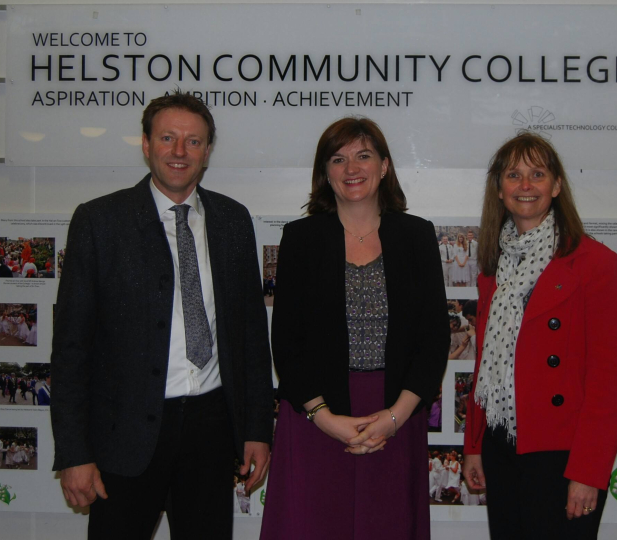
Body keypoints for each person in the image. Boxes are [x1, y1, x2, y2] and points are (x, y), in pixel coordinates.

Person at [50, 91, 273, 540]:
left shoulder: (232, 220)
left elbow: (249, 335)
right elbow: (71, 347)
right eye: (168, 138)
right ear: (146, 144)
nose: (179, 152)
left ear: (207, 152)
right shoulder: (99, 221)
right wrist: (74, 452)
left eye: (193, 141)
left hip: (212, 428)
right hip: (125, 435)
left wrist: (257, 429)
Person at [259, 117, 448, 540]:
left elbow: (433, 338)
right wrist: (325, 418)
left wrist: (396, 417)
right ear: (325, 173)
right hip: (317, 414)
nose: (351, 169)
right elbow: (286, 342)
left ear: (384, 166)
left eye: (363, 156)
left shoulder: (416, 236)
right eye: (338, 159)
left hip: (395, 412)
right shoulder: (301, 238)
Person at [462, 132, 617, 539]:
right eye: (514, 175)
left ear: (556, 185)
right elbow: (486, 366)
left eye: (537, 173)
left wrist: (588, 472)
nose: (525, 185)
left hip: (563, 453)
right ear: (499, 190)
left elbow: (607, 381)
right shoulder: (491, 268)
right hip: (503, 445)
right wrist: (475, 445)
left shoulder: (596, 264)